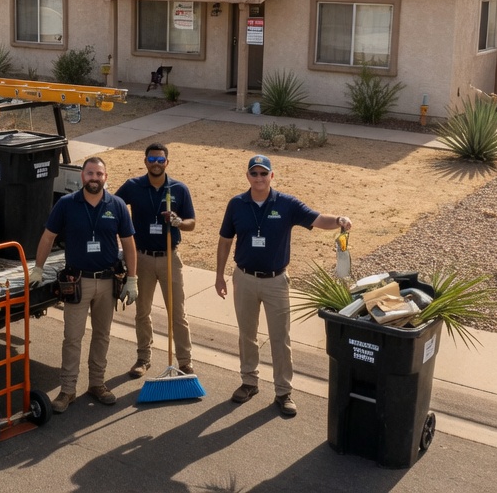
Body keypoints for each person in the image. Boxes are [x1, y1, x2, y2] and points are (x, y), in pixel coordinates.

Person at [214, 155, 352, 418]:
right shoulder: (236, 204)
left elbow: (317, 219)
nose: (259, 178)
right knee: (247, 334)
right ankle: (249, 382)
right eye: (254, 174)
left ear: (271, 176)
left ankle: (283, 391)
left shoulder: (287, 204)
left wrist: (339, 220)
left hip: (276, 281)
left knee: (280, 338)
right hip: (243, 278)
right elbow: (224, 241)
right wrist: (219, 275)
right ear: (247, 177)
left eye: (263, 174)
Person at [32, 157, 138, 412]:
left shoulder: (118, 205)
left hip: (107, 281)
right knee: (72, 338)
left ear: (105, 176)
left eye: (99, 174)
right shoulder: (67, 204)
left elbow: (129, 243)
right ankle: (67, 390)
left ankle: (97, 384)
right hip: (77, 282)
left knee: (102, 336)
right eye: (90, 173)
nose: (94, 178)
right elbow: (48, 236)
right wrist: (38, 267)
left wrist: (132, 278)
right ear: (82, 176)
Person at [115, 143, 197, 378]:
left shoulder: (179, 189)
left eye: (161, 160)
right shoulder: (133, 186)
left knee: (177, 313)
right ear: (145, 161)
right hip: (141, 259)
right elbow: (112, 207)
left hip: (170, 257)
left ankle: (185, 361)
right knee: (142, 311)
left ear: (167, 163)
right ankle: (143, 358)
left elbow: (192, 223)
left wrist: (179, 222)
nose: (156, 164)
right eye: (152, 159)